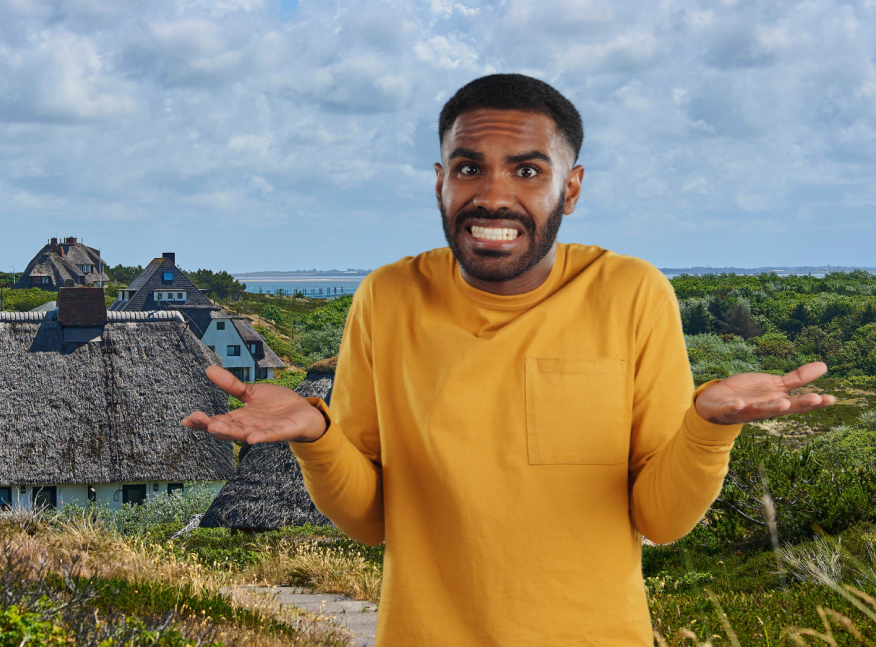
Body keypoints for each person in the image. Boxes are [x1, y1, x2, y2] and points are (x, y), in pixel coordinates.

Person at [182, 74, 835, 645]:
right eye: (469, 167)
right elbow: (371, 519)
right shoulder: (388, 297)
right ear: (440, 182)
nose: (492, 195)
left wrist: (706, 429)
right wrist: (318, 436)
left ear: (571, 188)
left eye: (527, 170)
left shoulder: (632, 293)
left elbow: (661, 520)